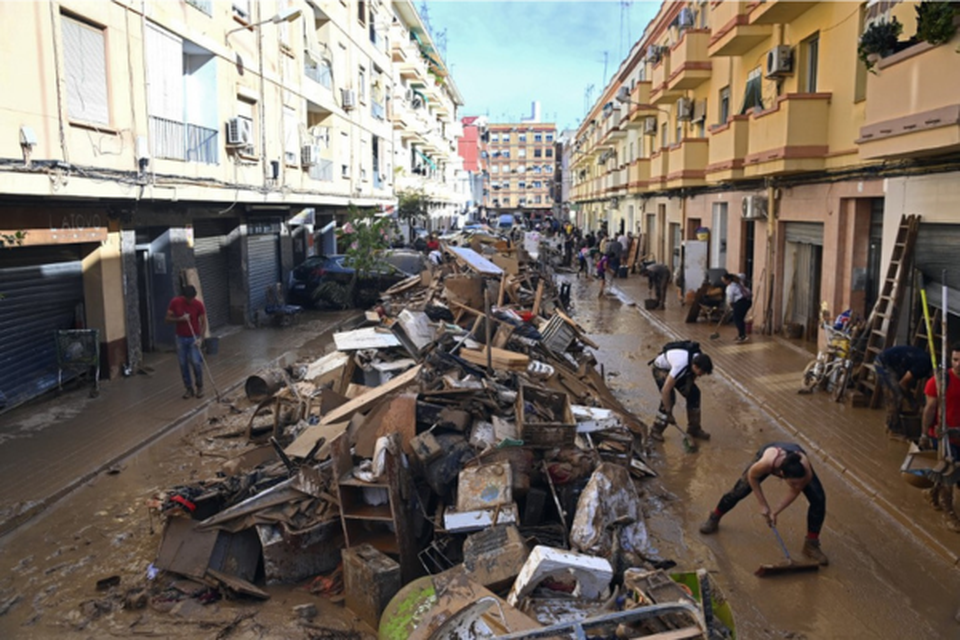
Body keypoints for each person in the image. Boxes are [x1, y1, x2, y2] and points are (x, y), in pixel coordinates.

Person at [698, 442, 829, 566]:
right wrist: (763, 505)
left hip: (793, 459)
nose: (797, 485)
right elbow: (752, 477)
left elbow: (795, 491)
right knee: (739, 491)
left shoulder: (805, 470)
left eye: (799, 482)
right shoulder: (765, 463)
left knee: (818, 499)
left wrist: (775, 512)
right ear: (782, 475)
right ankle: (714, 517)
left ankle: (811, 545)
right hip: (771, 453)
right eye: (793, 482)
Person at [921, 342, 960, 532]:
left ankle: (932, 492)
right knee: (949, 473)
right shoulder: (939, 382)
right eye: (955, 360)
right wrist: (924, 433)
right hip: (943, 435)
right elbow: (929, 409)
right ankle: (949, 513)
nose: (958, 364)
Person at [649, 341, 714, 441]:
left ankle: (694, 429)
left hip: (680, 369)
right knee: (670, 398)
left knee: (694, 393)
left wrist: (688, 387)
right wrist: (669, 412)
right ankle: (656, 429)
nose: (701, 375)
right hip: (661, 369)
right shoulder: (680, 366)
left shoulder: (698, 357)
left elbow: (693, 375)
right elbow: (665, 390)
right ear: (695, 367)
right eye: (701, 373)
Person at [875, 345, 932, 438]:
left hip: (896, 364)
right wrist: (911, 400)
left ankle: (892, 422)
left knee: (899, 393)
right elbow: (903, 383)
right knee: (896, 396)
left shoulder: (925, 364)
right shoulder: (923, 366)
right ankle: (893, 429)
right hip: (884, 363)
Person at [165, 285, 206, 399]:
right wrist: (180, 319)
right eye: (188, 299)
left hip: (194, 337)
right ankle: (188, 388)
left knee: (196, 362)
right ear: (184, 297)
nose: (190, 301)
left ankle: (200, 387)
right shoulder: (175, 302)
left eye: (192, 298)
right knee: (183, 364)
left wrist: (200, 339)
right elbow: (167, 319)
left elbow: (203, 322)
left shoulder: (198, 305)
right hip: (181, 338)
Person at [721, 272, 752, 342]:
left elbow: (731, 299)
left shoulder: (731, 287)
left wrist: (730, 305)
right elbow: (742, 275)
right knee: (740, 319)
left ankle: (742, 336)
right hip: (747, 301)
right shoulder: (738, 283)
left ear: (728, 280)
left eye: (724, 280)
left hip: (741, 302)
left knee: (737, 319)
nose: (724, 282)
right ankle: (742, 335)